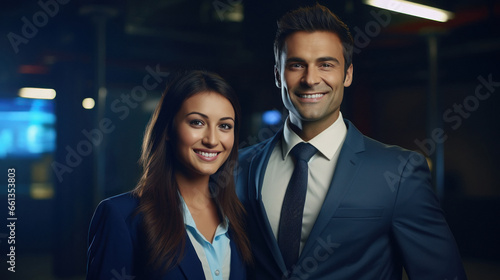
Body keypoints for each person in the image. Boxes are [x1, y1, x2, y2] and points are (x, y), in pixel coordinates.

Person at [236, 4, 467, 280]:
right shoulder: (241, 166)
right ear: (278, 75)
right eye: (297, 65)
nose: (310, 79)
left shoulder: (399, 172)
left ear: (347, 74)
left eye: (326, 65)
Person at [87, 70, 251, 279]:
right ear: (167, 130)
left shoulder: (239, 217)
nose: (212, 139)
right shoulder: (122, 216)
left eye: (225, 126)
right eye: (197, 122)